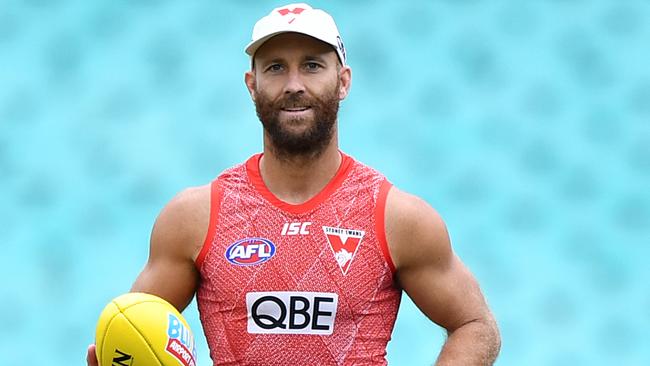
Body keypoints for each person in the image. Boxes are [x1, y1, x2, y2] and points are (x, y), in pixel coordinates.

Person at [87, 3, 500, 365]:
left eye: (313, 65)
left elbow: (475, 325)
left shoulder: (396, 217)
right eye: (275, 67)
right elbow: (133, 337)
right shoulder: (195, 217)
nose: (294, 84)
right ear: (253, 86)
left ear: (344, 81)